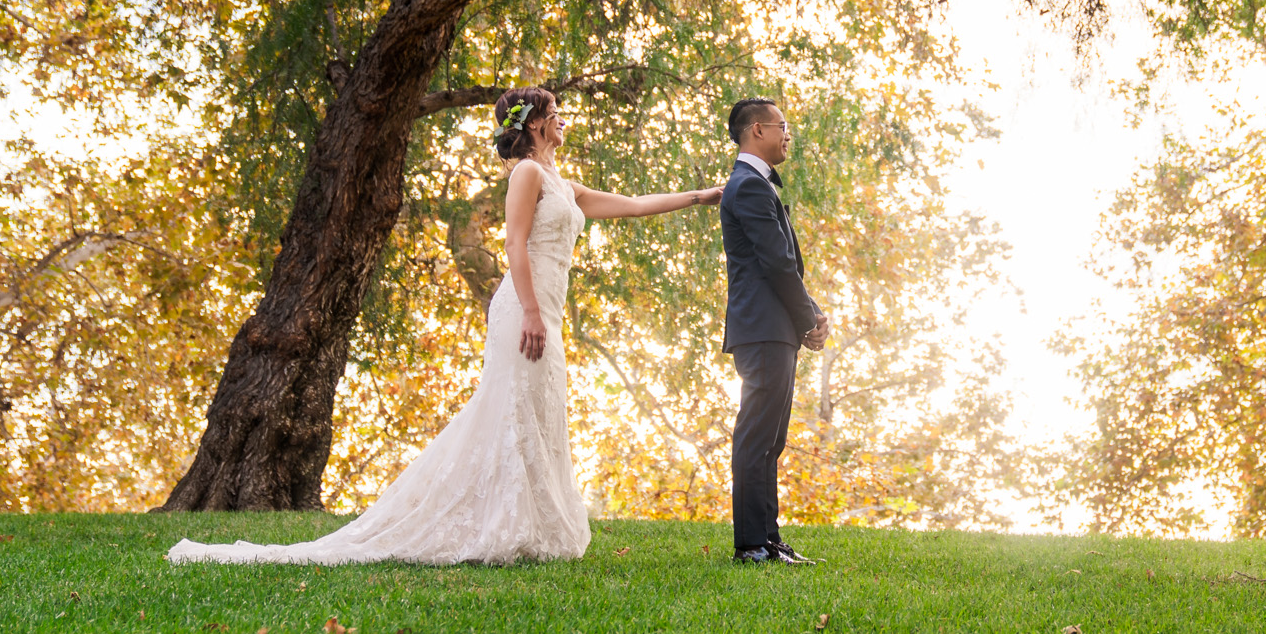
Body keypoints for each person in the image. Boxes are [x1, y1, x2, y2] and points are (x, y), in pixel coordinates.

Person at [166, 87, 721, 566]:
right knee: (510, 409)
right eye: (556, 112)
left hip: (546, 307)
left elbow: (629, 204)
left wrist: (700, 196)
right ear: (533, 124)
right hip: (524, 308)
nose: (562, 120)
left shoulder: (563, 183)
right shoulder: (526, 173)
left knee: (537, 409)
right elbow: (513, 243)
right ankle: (496, 525)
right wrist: (529, 310)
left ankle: (529, 524)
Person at [718, 97, 828, 565]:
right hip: (762, 329)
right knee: (756, 437)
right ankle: (751, 545)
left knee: (772, 439)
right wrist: (808, 320)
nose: (788, 135)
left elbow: (787, 268)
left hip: (774, 328)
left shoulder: (757, 186)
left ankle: (769, 538)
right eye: (783, 126)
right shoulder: (747, 187)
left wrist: (813, 313)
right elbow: (778, 264)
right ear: (757, 130)